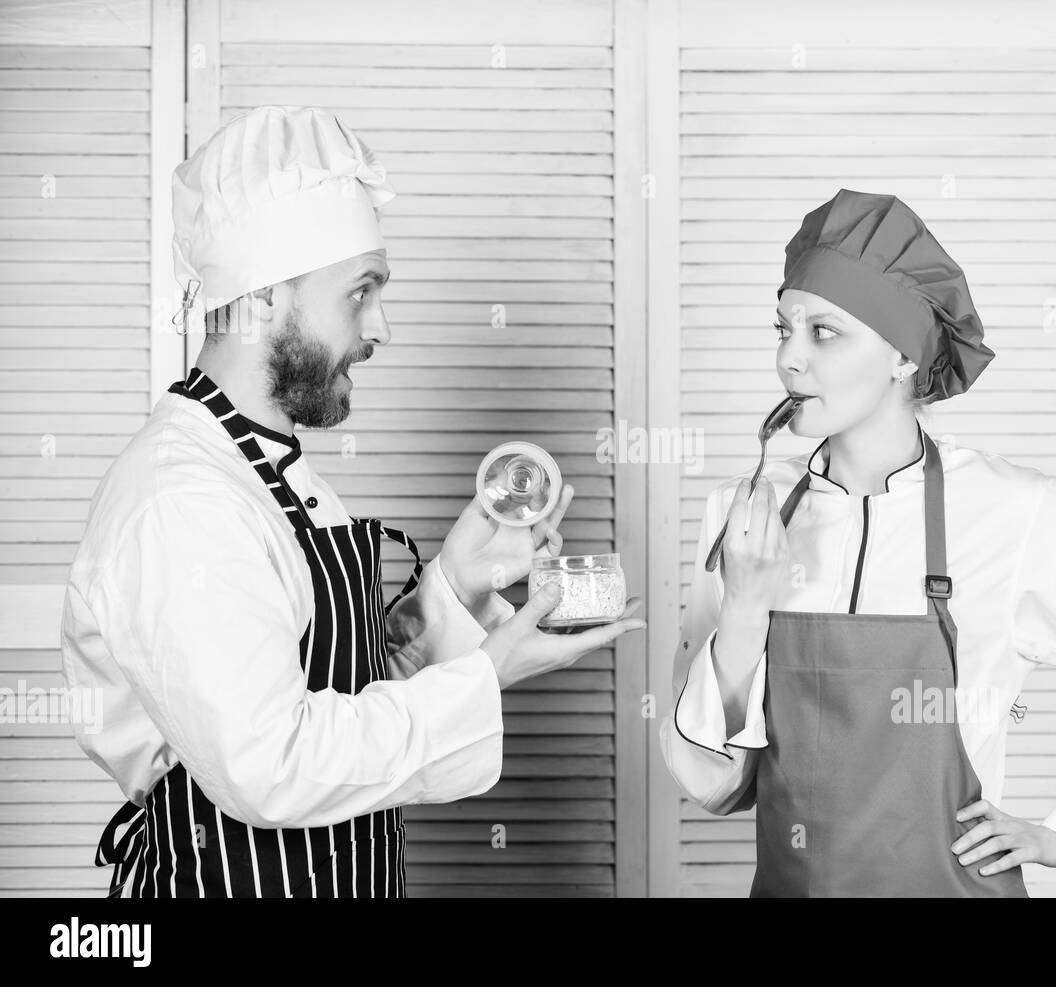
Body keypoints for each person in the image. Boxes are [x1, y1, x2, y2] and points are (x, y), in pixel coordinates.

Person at [60, 105, 643, 898]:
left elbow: (347, 695)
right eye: (360, 291)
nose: (382, 326)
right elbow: (273, 765)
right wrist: (490, 675)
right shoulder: (182, 500)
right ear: (263, 298)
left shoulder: (271, 470)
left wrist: (456, 584)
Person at [659, 189, 1056, 898]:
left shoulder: (1014, 514)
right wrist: (743, 606)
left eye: (823, 332)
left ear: (903, 355)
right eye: (784, 328)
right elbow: (713, 781)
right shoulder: (743, 519)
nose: (787, 361)